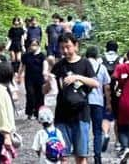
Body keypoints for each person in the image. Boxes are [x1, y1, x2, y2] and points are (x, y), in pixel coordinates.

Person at [45, 33, 97, 164]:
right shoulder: (59, 65)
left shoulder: (85, 63)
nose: (65, 51)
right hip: (62, 114)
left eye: (68, 47)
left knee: (81, 155)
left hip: (81, 114)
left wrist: (77, 77)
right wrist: (47, 82)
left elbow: (95, 83)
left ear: (75, 46)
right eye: (62, 48)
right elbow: (45, 90)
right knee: (62, 154)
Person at [84, 47, 110, 164]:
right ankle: (97, 156)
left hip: (84, 102)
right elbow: (107, 87)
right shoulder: (102, 67)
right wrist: (108, 103)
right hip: (98, 102)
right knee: (97, 131)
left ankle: (83, 153)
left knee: (84, 128)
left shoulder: (82, 66)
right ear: (96, 55)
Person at [21, 39, 48, 119]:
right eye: (32, 45)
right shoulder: (26, 56)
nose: (33, 47)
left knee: (40, 95)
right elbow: (22, 66)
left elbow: (45, 64)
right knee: (30, 95)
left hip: (39, 78)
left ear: (38, 45)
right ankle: (29, 113)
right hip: (29, 78)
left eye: (35, 45)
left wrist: (45, 72)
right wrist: (19, 75)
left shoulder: (42, 55)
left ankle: (39, 113)